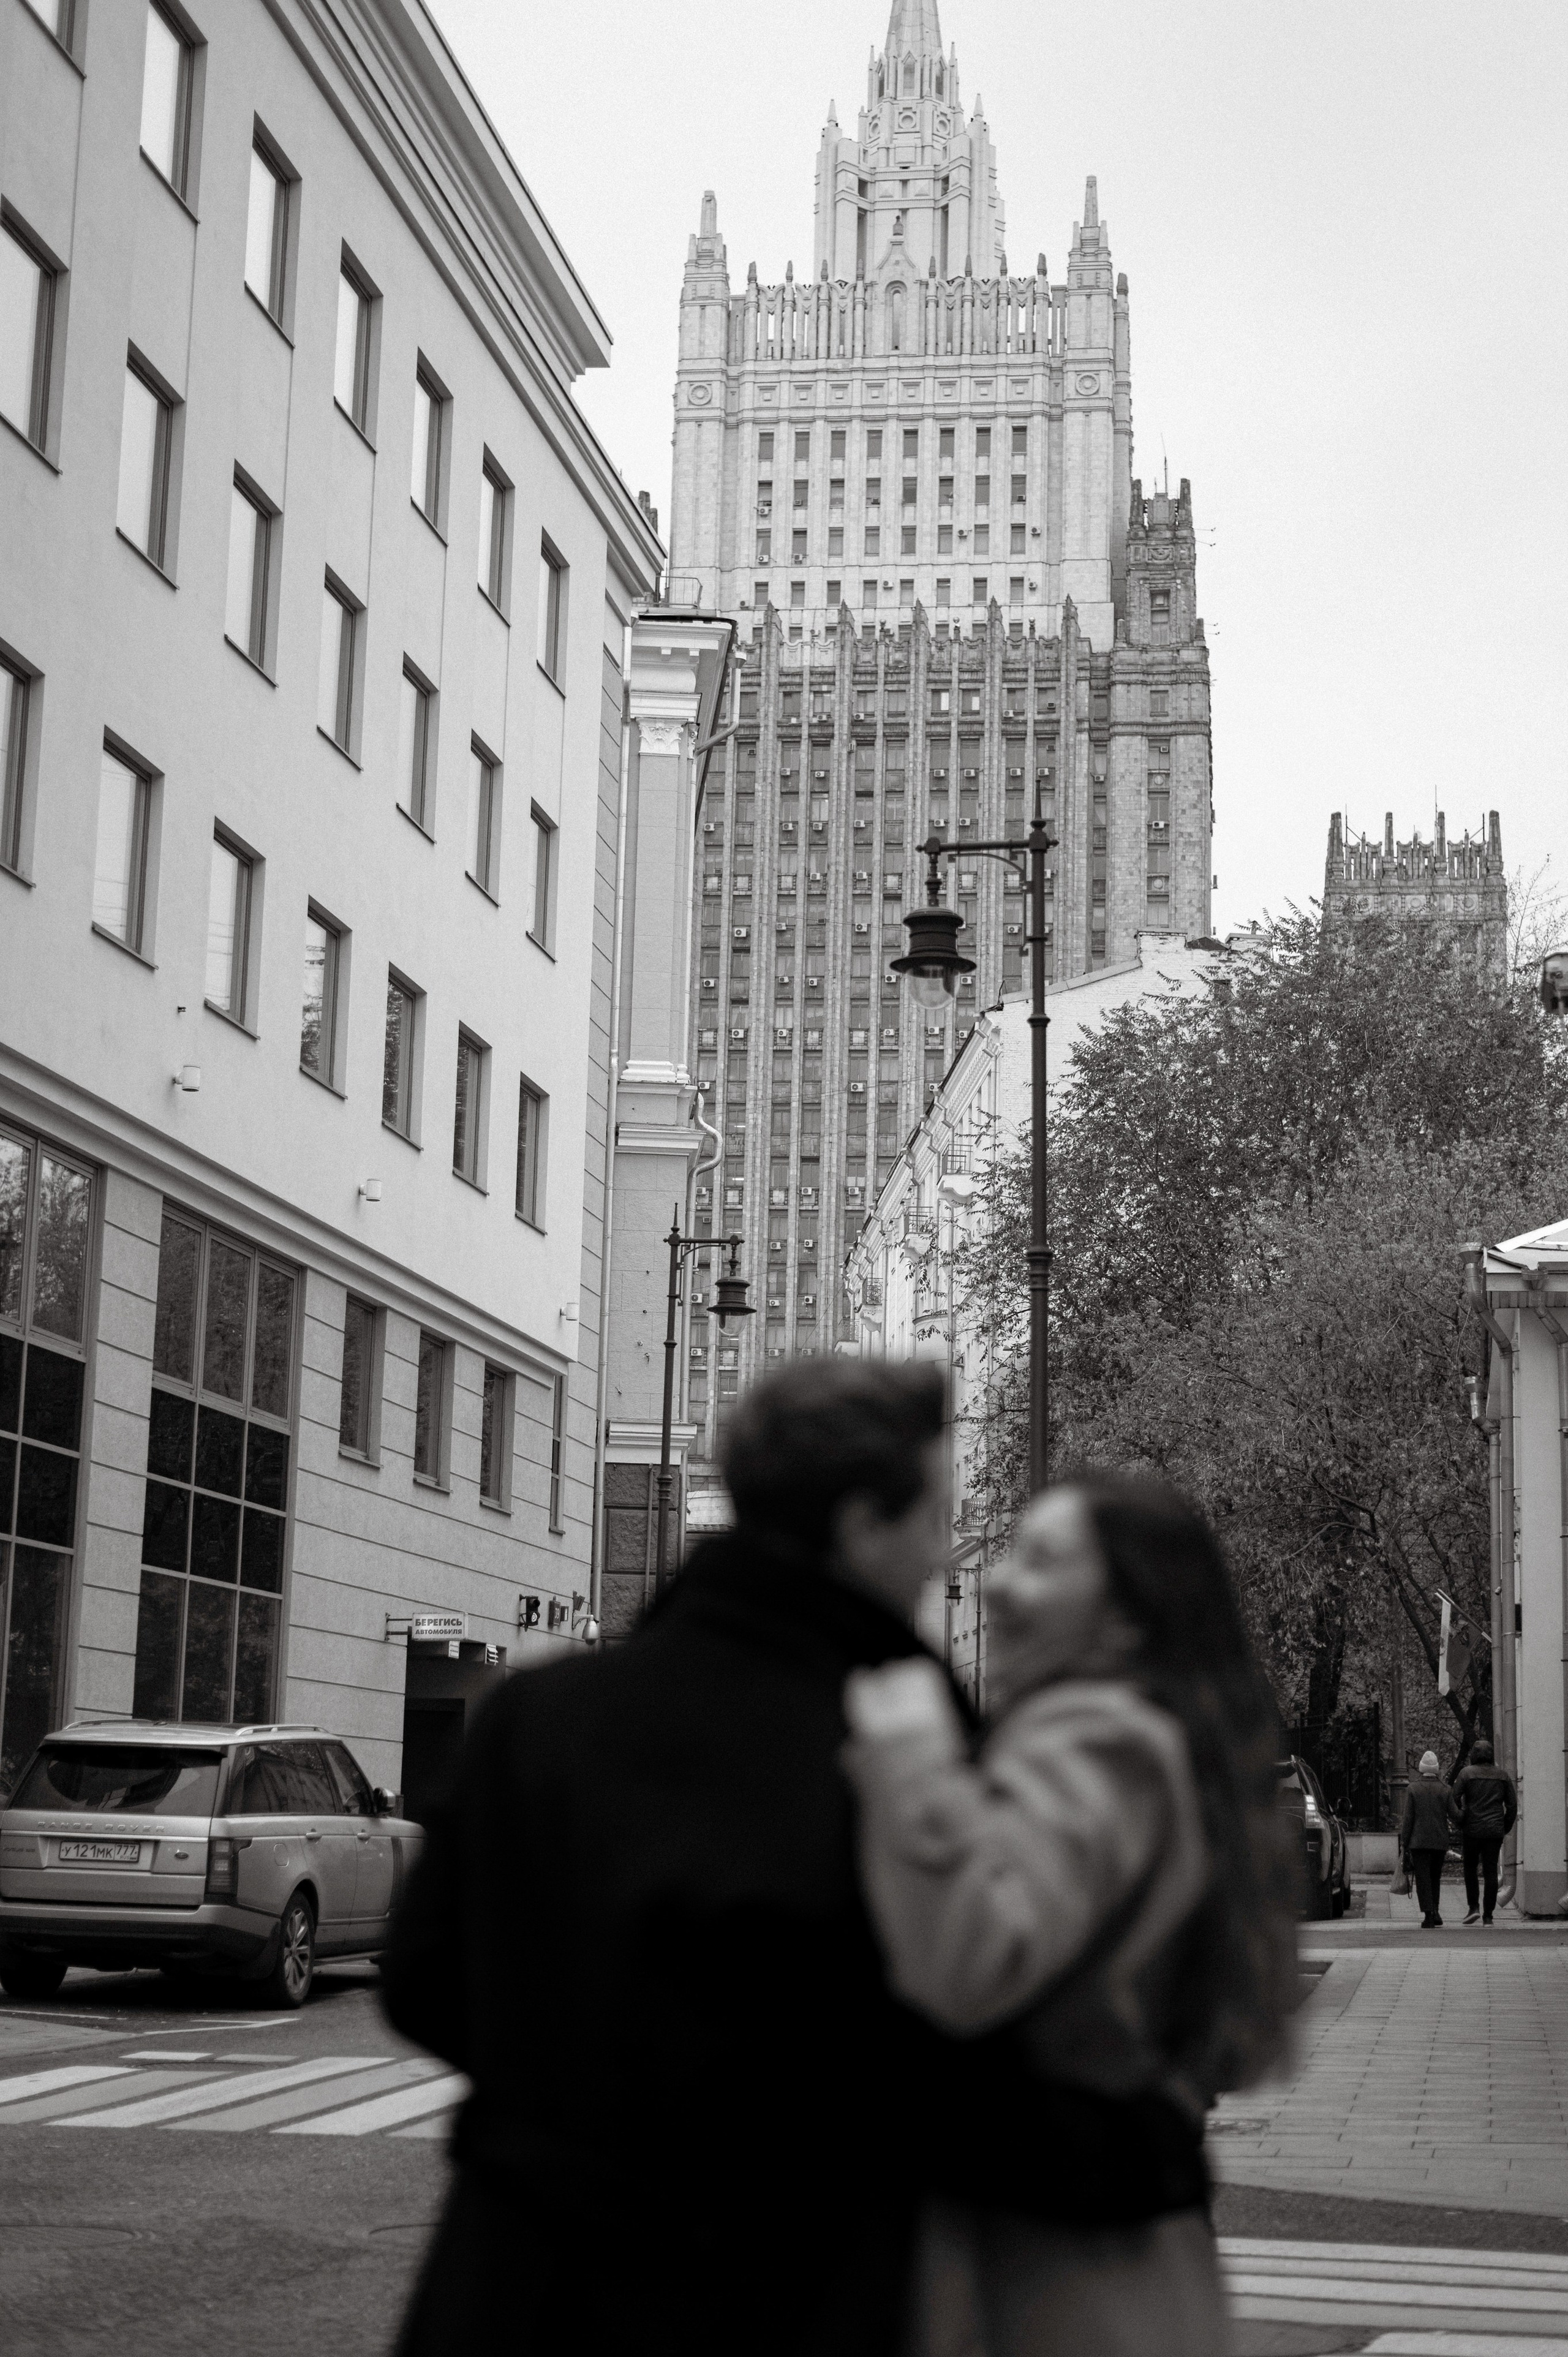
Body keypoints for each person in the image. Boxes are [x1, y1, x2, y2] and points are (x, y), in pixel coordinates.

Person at [381, 1368, 1220, 2357]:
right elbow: (948, 2025)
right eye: (935, 1517)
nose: (945, 1556)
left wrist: (565, 2092)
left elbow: (423, 1978)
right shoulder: (894, 1738)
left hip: (517, 2275)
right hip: (796, 2280)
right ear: (863, 1523)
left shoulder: (538, 1712)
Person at [843, 1475, 1299, 2357]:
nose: (1000, 1583)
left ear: (1127, 1618)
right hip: (1102, 2256)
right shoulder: (1142, 1730)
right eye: (1010, 1552)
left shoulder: (1102, 1737)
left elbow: (970, 1963)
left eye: (1043, 1562)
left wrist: (908, 1754)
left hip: (1057, 2268)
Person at [1452, 1737, 1516, 1925]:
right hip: (1494, 1831)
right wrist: (1505, 1826)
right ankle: (1488, 1915)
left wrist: (1462, 1819)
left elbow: (1454, 1798)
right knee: (1490, 1872)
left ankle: (1473, 1908)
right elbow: (1512, 1805)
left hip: (1472, 1829)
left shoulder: (1466, 1774)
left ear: (1474, 1755)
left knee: (1470, 1868)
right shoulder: (1502, 1776)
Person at [1400, 1750, 1458, 1927]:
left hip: (1419, 1843)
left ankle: (1428, 1916)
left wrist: (1404, 1842)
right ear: (1437, 1769)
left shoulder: (1413, 1789)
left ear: (1421, 1768)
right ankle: (1436, 1910)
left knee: (1423, 1879)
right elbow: (1455, 1815)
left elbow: (1408, 1819)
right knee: (1435, 1877)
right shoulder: (1445, 1789)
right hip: (1439, 1842)